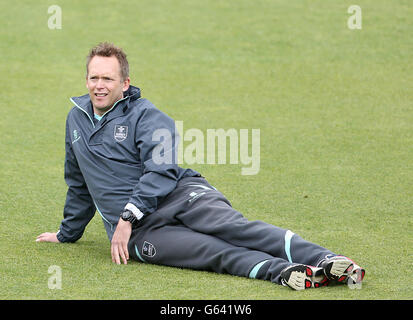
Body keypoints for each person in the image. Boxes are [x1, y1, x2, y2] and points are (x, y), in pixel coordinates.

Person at [36, 42, 365, 291]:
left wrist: (126, 215)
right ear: (86, 79)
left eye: (108, 78)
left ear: (125, 83)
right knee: (210, 252)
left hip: (181, 195)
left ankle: (326, 259)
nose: (99, 85)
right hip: (142, 233)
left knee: (235, 230)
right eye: (94, 77)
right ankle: (284, 273)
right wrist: (67, 234)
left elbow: (162, 170)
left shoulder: (146, 115)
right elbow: (79, 183)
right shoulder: (75, 119)